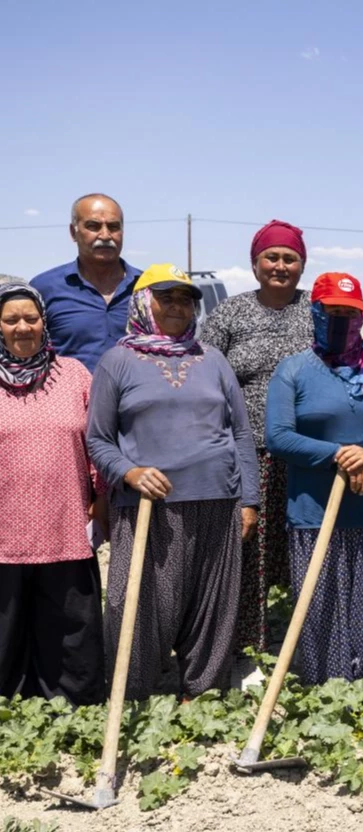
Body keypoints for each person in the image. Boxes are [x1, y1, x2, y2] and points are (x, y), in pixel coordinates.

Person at [86, 264, 260, 699]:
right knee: (141, 604)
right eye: (168, 297)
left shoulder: (212, 358)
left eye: (187, 299)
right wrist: (129, 472)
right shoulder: (118, 361)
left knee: (211, 605)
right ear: (145, 302)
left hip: (217, 498)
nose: (179, 306)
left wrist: (249, 498)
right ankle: (133, 693)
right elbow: (98, 439)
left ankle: (199, 694)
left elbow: (239, 433)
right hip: (148, 506)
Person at [266, 272, 363, 689]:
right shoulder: (294, 369)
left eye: (350, 314)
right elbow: (277, 436)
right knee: (324, 607)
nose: (341, 322)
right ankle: (330, 692)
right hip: (316, 510)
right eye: (331, 312)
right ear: (314, 313)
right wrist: (338, 455)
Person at [201, 220, 314, 662]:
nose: (280, 266)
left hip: (308, 453)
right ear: (255, 263)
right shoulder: (230, 313)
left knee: (304, 545)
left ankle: (305, 644)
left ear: (302, 266)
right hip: (249, 453)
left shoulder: (315, 310)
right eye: (272, 256)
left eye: (290, 258)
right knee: (251, 552)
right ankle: (248, 648)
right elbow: (204, 372)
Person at [0, 282, 107, 705]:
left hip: (66, 524)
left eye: (31, 318)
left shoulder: (75, 374)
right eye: (11, 320)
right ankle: (10, 709)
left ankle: (73, 707)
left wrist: (100, 497)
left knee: (69, 627)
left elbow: (97, 442)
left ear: (45, 322)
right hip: (5, 531)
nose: (22, 327)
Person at [31, 194, 143, 374]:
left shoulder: (147, 288)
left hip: (136, 400)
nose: (105, 235)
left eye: (114, 227)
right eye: (93, 226)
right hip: (71, 401)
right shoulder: (45, 288)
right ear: (73, 232)